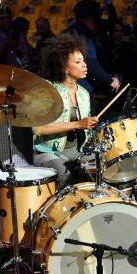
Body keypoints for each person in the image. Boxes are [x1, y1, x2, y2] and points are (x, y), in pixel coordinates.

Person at [33, 33, 98, 187]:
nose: (84, 65)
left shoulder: (83, 93)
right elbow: (38, 129)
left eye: (83, 60)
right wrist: (78, 124)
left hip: (77, 151)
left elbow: (85, 128)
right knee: (64, 173)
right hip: (49, 152)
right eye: (78, 62)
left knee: (101, 168)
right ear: (63, 66)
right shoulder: (47, 91)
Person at [63, 0, 121, 95]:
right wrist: (110, 80)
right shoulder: (83, 35)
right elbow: (90, 61)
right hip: (76, 86)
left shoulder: (71, 31)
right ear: (94, 18)